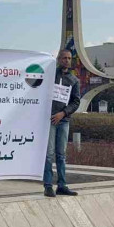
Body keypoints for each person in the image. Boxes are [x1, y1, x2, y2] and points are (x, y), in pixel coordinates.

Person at [43, 49, 80, 198]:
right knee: (49, 154)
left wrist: (63, 113)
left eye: (69, 58)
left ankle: (62, 185)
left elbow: (76, 101)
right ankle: (47, 185)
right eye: (64, 58)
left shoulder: (74, 80)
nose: (67, 60)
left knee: (61, 154)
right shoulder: (50, 76)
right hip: (50, 120)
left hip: (63, 120)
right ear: (59, 59)